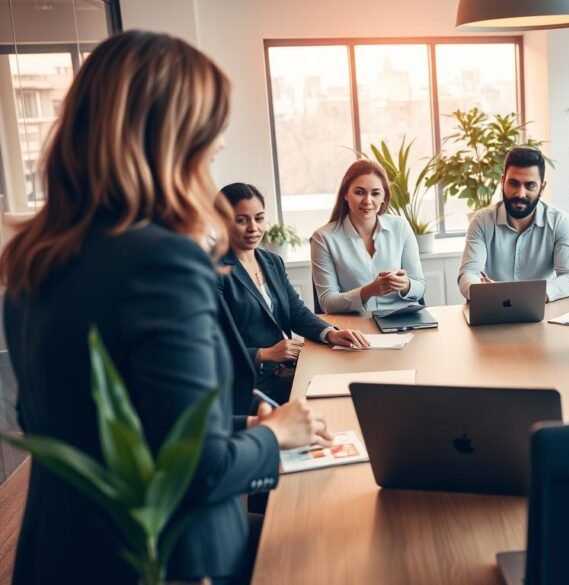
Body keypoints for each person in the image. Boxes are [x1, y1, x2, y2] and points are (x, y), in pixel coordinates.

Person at [0, 31, 332, 584]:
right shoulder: (163, 263)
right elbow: (193, 473)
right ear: (170, 138)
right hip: (161, 558)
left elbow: (80, 424)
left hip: (60, 555)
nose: (219, 145)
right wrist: (275, 435)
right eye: (211, 128)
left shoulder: (36, 257)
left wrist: (242, 422)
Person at [219, 183, 369, 405]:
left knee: (351, 386)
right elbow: (214, 344)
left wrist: (329, 333)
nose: (253, 228)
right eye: (242, 220)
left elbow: (295, 311)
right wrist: (264, 354)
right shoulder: (215, 270)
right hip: (247, 385)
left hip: (283, 372)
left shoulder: (271, 261)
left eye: (259, 218)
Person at [458, 146, 569, 302]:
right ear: (502, 182)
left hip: (541, 313)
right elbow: (468, 274)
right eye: (514, 183)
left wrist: (530, 296)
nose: (520, 193)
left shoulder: (559, 222)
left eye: (530, 186)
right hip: (492, 310)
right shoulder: (481, 221)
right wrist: (483, 292)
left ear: (542, 187)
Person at [311, 160, 426, 313]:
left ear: (384, 196)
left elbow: (420, 287)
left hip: (402, 323)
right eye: (359, 192)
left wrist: (406, 285)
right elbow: (327, 302)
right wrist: (369, 291)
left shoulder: (401, 227)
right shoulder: (323, 238)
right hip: (355, 326)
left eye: (375, 193)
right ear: (345, 194)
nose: (368, 201)